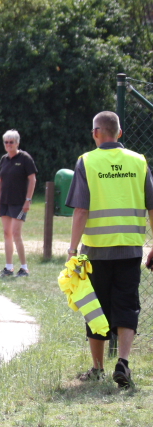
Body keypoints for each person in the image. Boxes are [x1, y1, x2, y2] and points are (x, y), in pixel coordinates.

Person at [66, 111, 153, 388]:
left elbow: (81, 210)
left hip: (96, 251)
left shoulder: (87, 161)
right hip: (130, 248)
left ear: (95, 132)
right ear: (120, 133)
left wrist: (72, 249)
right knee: (127, 304)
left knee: (96, 307)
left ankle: (97, 367)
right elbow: (152, 206)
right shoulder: (139, 161)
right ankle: (123, 362)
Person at [0, 129, 37, 278]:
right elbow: (0, 181)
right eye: (6, 142)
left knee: (16, 233)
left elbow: (32, 179)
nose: (8, 145)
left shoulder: (25, 158)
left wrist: (28, 200)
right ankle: (9, 267)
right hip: (5, 201)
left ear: (17, 143)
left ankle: (24, 268)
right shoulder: (4, 159)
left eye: (11, 142)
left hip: (19, 202)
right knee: (7, 233)